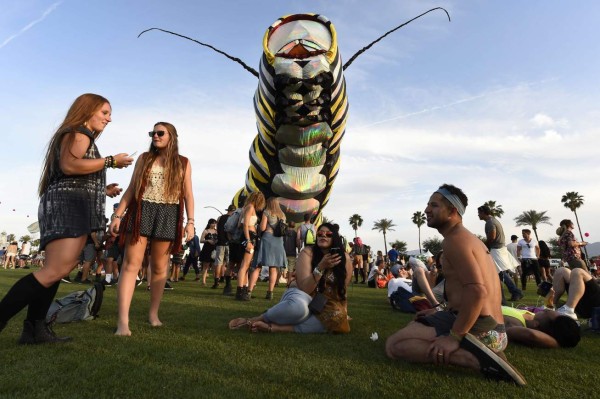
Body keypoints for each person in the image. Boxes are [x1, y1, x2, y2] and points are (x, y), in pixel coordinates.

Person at [0, 93, 132, 344]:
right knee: (55, 270)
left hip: (66, 202)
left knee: (55, 270)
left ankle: (34, 329)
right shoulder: (80, 133)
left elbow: (68, 175)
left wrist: (102, 190)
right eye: (105, 112)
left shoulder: (76, 133)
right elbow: (70, 165)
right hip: (68, 207)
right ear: (88, 110)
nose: (109, 119)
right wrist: (111, 161)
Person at [386, 184, 526, 385]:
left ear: (453, 211)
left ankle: (476, 359)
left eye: (433, 205)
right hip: (495, 330)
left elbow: (477, 290)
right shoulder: (469, 239)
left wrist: (454, 337)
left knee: (395, 346)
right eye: (428, 205)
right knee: (414, 325)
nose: (426, 210)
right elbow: (464, 289)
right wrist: (439, 310)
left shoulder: (455, 240)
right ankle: (481, 352)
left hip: (481, 330)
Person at [110, 121, 194, 336]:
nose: (155, 136)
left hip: (169, 212)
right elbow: (131, 189)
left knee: (159, 267)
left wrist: (190, 222)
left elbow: (187, 194)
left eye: (160, 133)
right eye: (152, 133)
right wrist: (118, 215)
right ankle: (123, 322)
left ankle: (153, 314)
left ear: (171, 137)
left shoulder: (183, 163)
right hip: (142, 210)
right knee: (131, 264)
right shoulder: (145, 159)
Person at [228, 223, 351, 333]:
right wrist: (320, 267)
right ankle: (257, 319)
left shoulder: (345, 259)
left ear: (334, 237)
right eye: (320, 233)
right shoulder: (308, 253)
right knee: (299, 309)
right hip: (300, 294)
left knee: (336, 319)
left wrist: (344, 311)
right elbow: (305, 289)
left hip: (323, 302)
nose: (323, 236)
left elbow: (342, 289)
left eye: (328, 234)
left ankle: (273, 327)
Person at [477, 205, 523, 302]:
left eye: (479, 213)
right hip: (500, 249)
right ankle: (513, 292)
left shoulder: (490, 222)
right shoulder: (494, 220)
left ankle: (505, 297)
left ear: (483, 212)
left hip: (496, 249)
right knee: (499, 273)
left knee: (497, 273)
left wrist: (484, 246)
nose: (478, 215)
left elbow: (492, 236)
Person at [235, 191, 266, 301]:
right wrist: (248, 240)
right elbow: (245, 225)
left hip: (247, 237)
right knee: (245, 265)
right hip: (249, 237)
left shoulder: (245, 208)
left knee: (245, 266)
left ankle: (242, 290)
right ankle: (240, 291)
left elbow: (239, 224)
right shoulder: (250, 207)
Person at [502, 305, 580, 348]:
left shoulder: (514, 323)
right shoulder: (533, 317)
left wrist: (556, 344)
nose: (543, 309)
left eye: (546, 311)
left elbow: (532, 335)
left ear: (536, 324)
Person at [255, 197, 287, 300]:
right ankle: (270, 292)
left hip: (268, 239)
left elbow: (263, 228)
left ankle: (249, 289)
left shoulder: (267, 212)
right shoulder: (283, 215)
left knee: (259, 264)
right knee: (273, 268)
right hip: (279, 241)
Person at [213, 205, 235, 290]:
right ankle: (227, 282)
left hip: (220, 242)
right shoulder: (232, 218)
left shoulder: (220, 218)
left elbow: (218, 229)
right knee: (229, 263)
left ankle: (216, 282)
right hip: (229, 243)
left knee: (219, 263)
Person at [198, 219, 218, 285]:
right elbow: (201, 240)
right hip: (207, 249)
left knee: (214, 267)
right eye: (213, 223)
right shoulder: (206, 231)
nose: (214, 224)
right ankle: (203, 281)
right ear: (209, 223)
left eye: (215, 223)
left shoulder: (216, 231)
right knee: (205, 266)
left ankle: (215, 282)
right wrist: (207, 241)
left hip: (214, 249)